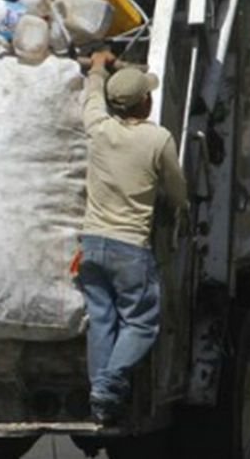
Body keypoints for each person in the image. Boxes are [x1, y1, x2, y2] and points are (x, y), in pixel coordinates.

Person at [76, 49, 188, 425]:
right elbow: (177, 192)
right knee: (139, 323)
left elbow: (92, 96)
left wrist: (96, 66)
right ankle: (107, 386)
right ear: (146, 101)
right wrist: (179, 211)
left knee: (101, 320)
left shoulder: (98, 127)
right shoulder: (158, 140)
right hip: (130, 248)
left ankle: (101, 397)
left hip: (91, 244)